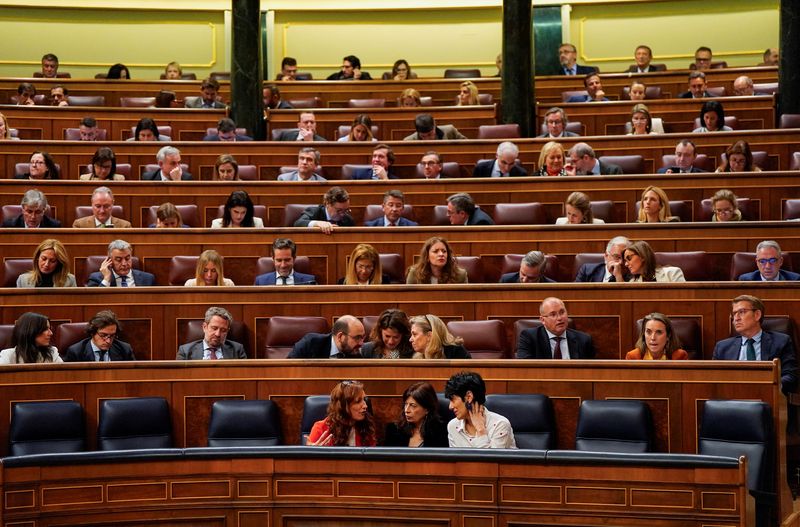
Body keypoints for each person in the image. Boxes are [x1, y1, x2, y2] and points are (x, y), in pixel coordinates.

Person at [712, 295, 797, 394]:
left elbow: (790, 376)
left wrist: (766, 388)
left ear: (757, 315)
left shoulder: (781, 341)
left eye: (742, 312)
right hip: (732, 398)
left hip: (767, 396)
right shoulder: (722, 347)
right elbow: (714, 379)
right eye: (734, 314)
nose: (736, 318)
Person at [445, 371, 515, 448]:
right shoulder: (453, 426)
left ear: (469, 397)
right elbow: (456, 459)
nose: (450, 406)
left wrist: (481, 430)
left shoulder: (500, 425)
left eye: (453, 400)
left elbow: (490, 459)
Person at [517, 297, 596, 359]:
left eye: (562, 312)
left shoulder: (584, 340)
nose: (559, 318)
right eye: (553, 314)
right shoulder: (529, 338)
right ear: (543, 320)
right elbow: (525, 369)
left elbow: (591, 371)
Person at [306, 380, 376, 446]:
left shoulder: (366, 427)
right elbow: (308, 457)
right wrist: (314, 452)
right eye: (358, 401)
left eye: (364, 399)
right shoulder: (320, 429)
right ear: (343, 406)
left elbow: (372, 457)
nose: (365, 406)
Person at [384, 381, 448, 447]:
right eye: (406, 404)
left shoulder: (441, 433)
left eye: (413, 405)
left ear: (427, 409)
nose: (406, 410)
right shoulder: (393, 430)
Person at [177, 307, 246, 360]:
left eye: (223, 330)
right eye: (214, 328)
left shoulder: (237, 350)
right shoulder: (185, 351)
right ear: (204, 327)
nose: (218, 334)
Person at [65, 310, 135, 362]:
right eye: (103, 335)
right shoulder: (76, 352)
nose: (108, 341)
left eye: (112, 336)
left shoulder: (125, 350)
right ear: (92, 333)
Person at [289, 315, 366, 358]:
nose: (361, 343)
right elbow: (289, 369)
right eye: (357, 338)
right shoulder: (311, 344)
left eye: (363, 337)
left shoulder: (356, 354)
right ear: (340, 337)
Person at [87, 239, 156, 287]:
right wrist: (106, 279)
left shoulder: (148, 279)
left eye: (127, 258)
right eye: (118, 259)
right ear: (109, 260)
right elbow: (93, 302)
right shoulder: (96, 278)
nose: (124, 263)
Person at [621, 240, 686, 283]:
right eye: (625, 261)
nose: (626, 264)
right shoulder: (633, 283)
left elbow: (682, 298)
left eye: (629, 258)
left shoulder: (672, 273)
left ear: (642, 256)